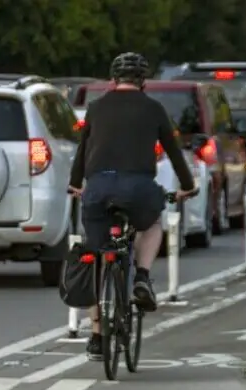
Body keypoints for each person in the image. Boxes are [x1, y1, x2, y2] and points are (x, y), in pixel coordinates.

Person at [68, 52, 197, 361]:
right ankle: (141, 275)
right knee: (152, 225)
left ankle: (98, 337)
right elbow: (173, 151)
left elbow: (83, 151)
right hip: (139, 187)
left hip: (98, 188)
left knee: (96, 260)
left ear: (113, 80)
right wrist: (187, 185)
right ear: (143, 82)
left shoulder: (96, 108)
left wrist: (76, 184)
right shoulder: (154, 109)